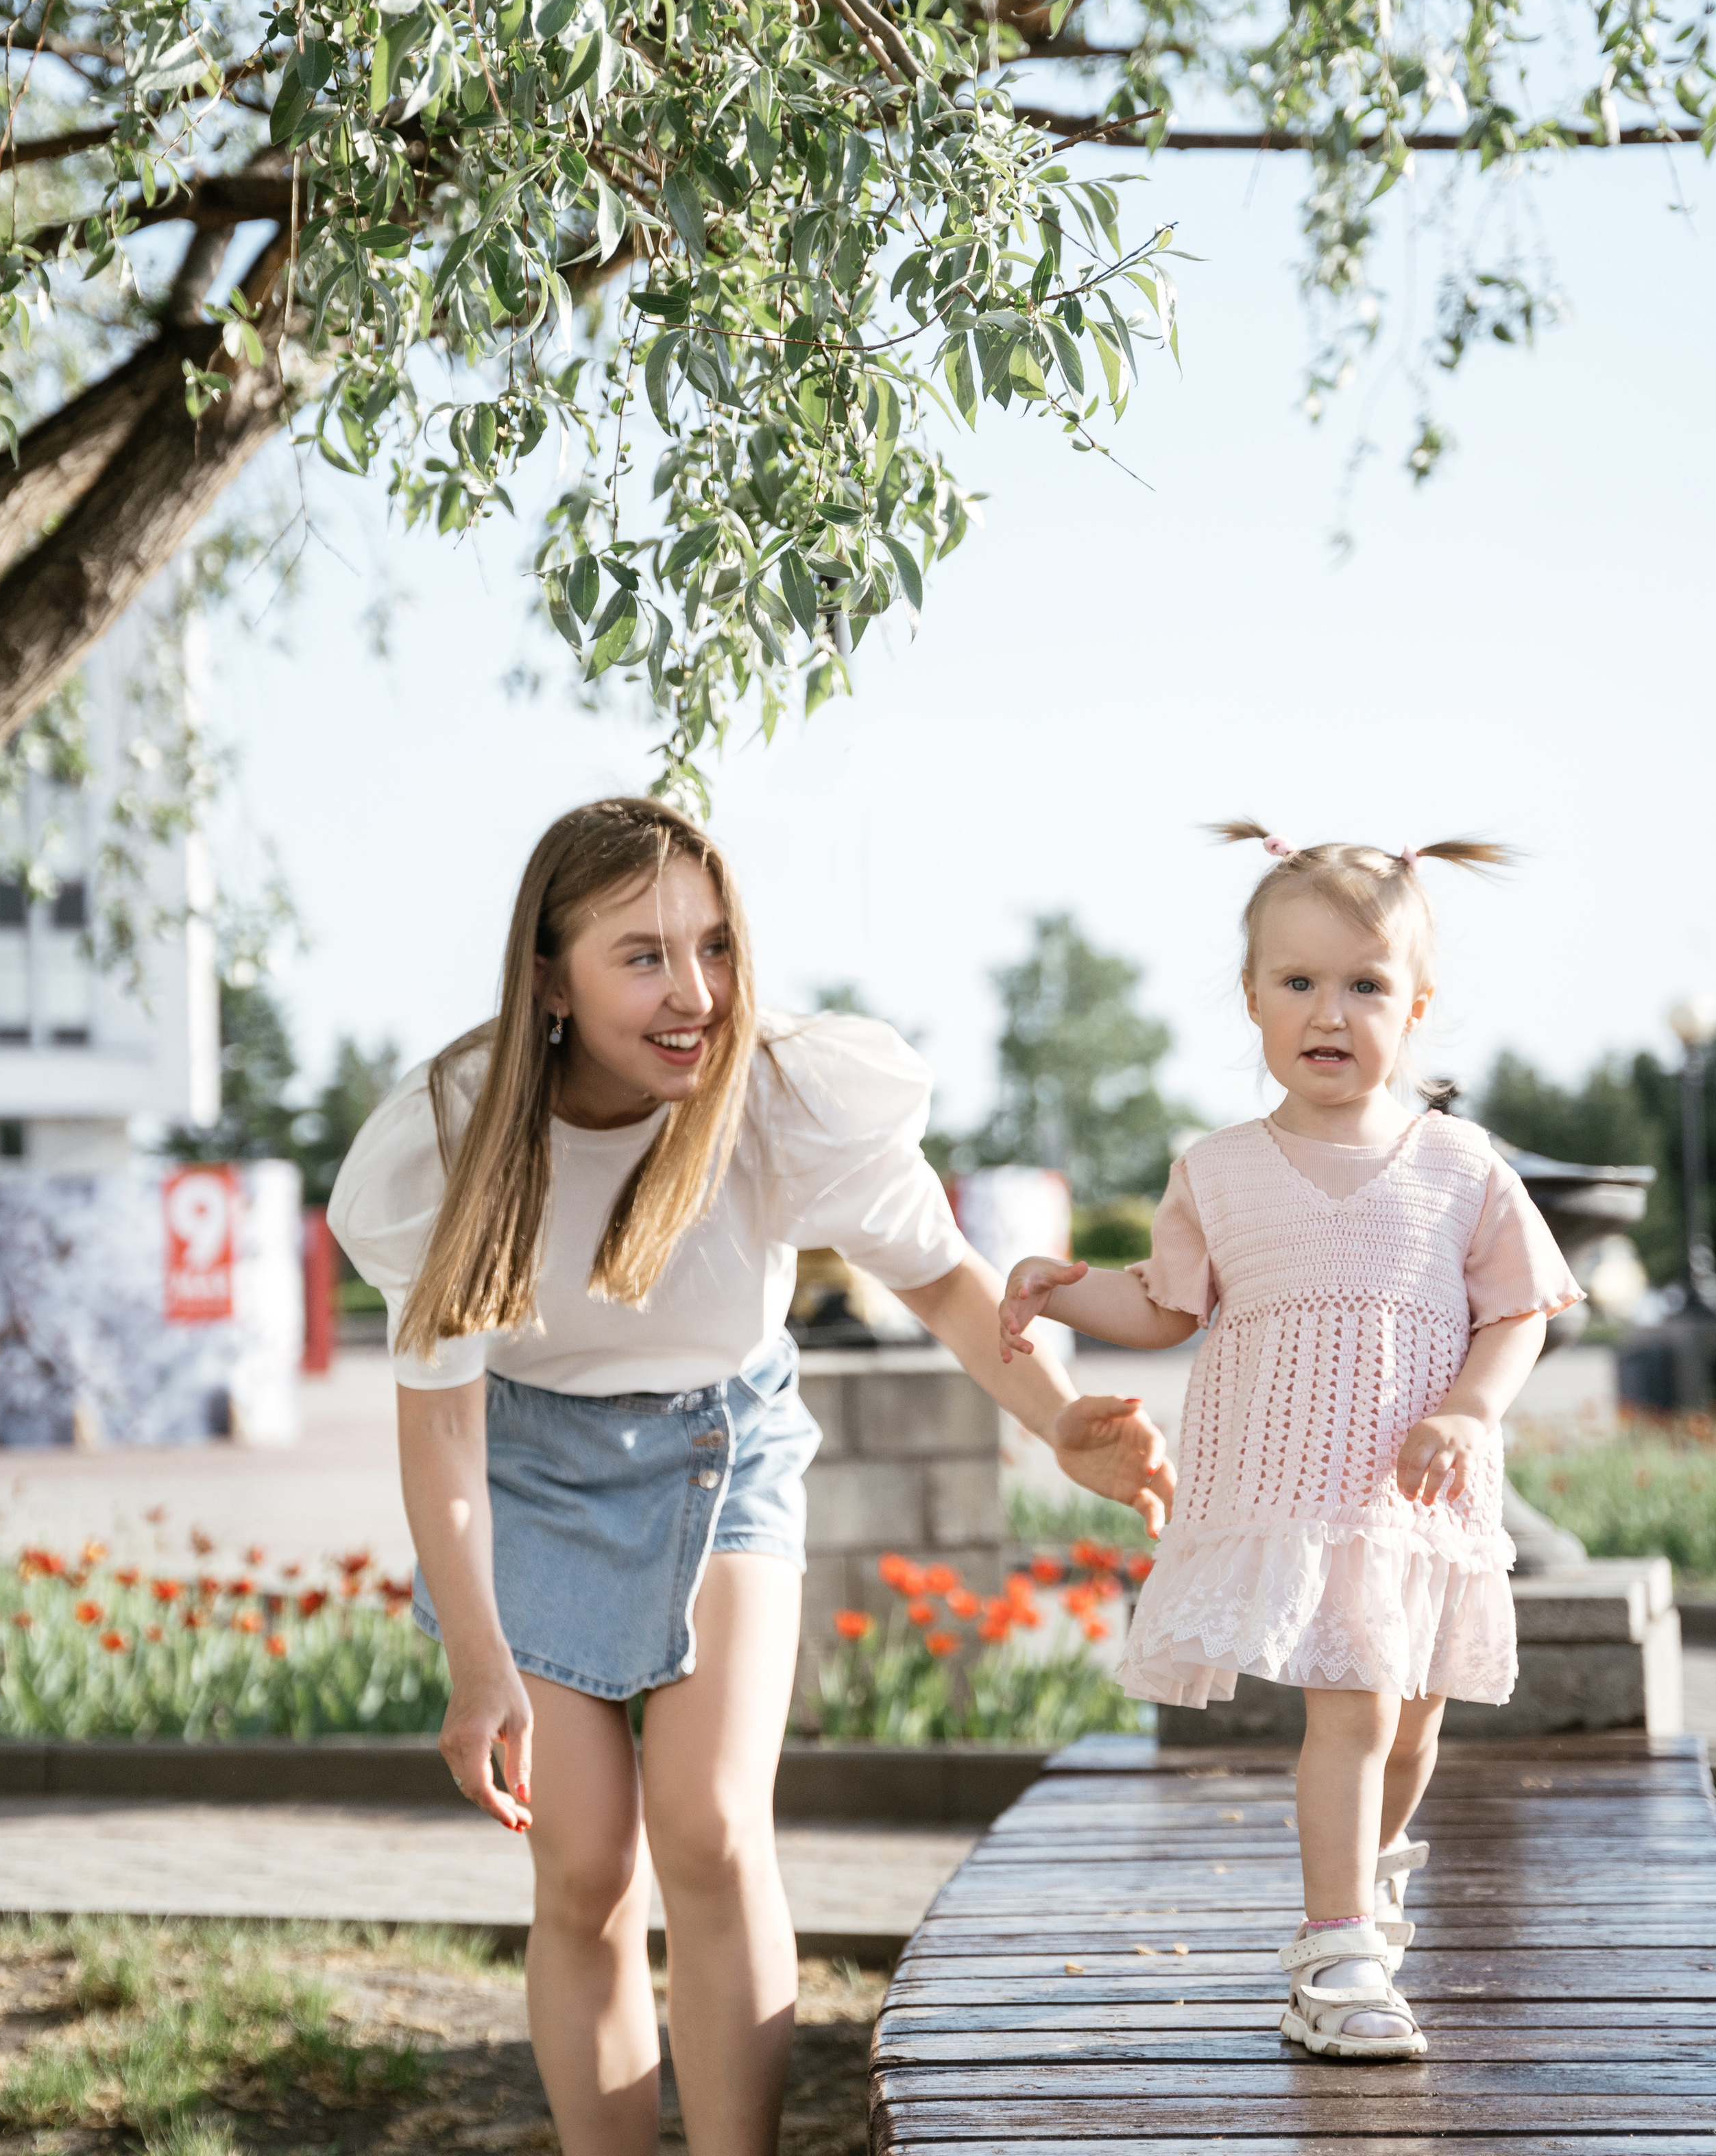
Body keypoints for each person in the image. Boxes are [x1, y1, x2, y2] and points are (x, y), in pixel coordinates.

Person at [328, 795, 1174, 2155]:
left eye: (713, 947)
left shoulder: (778, 1097)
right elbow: (438, 1426)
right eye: (642, 956)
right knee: (584, 1864)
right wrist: (476, 1662)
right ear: (549, 975)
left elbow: (951, 1289)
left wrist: (1062, 1418)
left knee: (712, 1831)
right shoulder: (453, 1140)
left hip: (722, 1445)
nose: (694, 994)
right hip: (526, 1466)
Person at [999, 823, 1583, 2061]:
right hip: (1300, 1491)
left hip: (1422, 1499)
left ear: (1416, 1005)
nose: (1331, 1011)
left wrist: (1471, 1408)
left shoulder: (1460, 1164)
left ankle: (1366, 1900)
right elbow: (1163, 1305)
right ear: (1254, 997)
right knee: (1357, 1714)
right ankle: (1334, 1955)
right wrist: (1061, 1287)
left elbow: (1518, 1312)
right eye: (1299, 982)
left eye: (1366, 985)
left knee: (1414, 1725)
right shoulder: (1219, 1171)